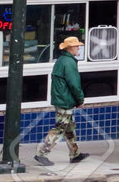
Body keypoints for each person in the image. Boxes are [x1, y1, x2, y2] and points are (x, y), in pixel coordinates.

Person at [34, 36, 89, 167]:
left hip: (61, 99)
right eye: (76, 46)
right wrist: (80, 99)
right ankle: (41, 154)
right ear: (70, 48)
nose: (79, 48)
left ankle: (75, 154)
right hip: (65, 100)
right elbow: (74, 84)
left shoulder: (62, 60)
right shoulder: (69, 63)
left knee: (69, 128)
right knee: (60, 128)